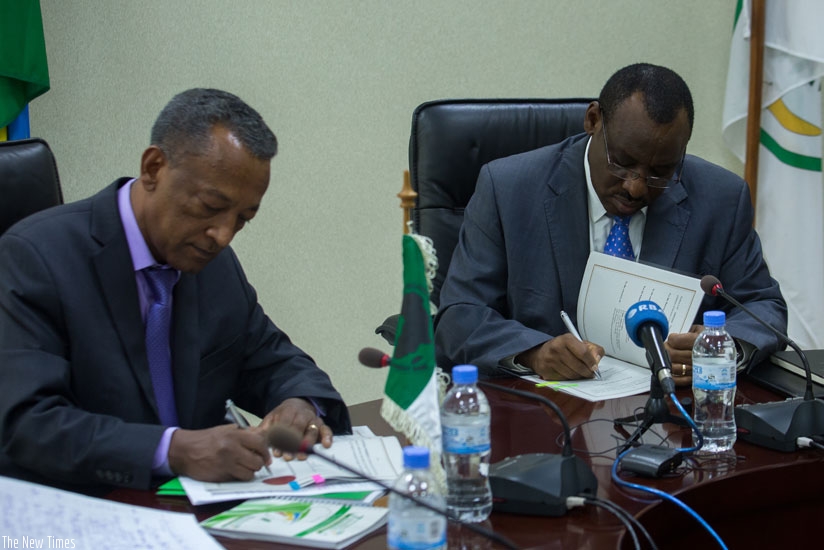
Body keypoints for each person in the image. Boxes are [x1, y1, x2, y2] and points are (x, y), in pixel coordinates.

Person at [0, 88, 351, 494]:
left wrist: (300, 402)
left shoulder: (213, 264)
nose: (223, 235)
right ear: (153, 168)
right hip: (85, 505)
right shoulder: (35, 258)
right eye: (210, 207)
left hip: (198, 507)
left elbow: (271, 358)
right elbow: (29, 423)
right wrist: (172, 450)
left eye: (242, 219)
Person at [434, 63, 787, 384]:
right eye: (622, 163)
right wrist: (534, 353)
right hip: (548, 411)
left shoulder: (721, 199)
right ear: (593, 120)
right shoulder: (508, 189)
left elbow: (763, 306)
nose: (636, 187)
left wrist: (718, 347)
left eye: (660, 172)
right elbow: (460, 317)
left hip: (673, 412)